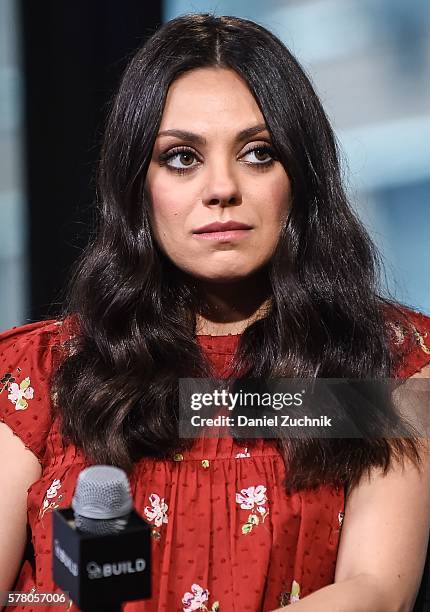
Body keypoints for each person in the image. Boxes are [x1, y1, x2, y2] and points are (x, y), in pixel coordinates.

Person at [1, 13, 430, 612]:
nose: (221, 187)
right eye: (181, 158)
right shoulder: (40, 371)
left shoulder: (379, 361)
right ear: (135, 184)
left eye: (258, 154)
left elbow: (376, 591)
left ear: (300, 177)